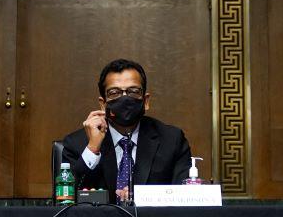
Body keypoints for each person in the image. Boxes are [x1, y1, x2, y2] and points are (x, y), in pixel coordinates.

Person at [60, 59, 193, 200]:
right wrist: (93, 149)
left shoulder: (172, 140)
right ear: (103, 104)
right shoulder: (77, 144)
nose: (125, 99)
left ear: (146, 101)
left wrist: (144, 198)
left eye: (133, 92)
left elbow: (184, 199)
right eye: (114, 92)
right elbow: (65, 200)